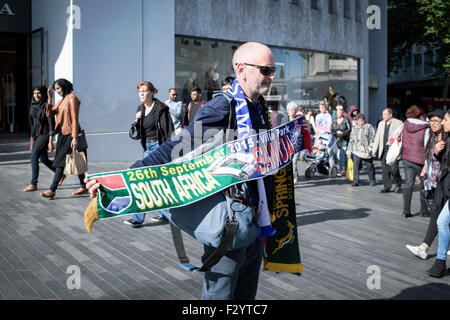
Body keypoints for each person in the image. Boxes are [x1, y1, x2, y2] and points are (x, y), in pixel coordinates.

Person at [86, 41, 279, 300]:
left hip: (256, 220)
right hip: (232, 224)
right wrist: (122, 180)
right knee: (219, 297)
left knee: (245, 296)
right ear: (242, 69)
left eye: (273, 70)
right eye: (266, 70)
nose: (272, 76)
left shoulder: (260, 107)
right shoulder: (224, 107)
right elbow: (177, 146)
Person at [124, 81, 174, 227]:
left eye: (145, 91)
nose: (142, 94)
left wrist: (168, 151)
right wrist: (137, 120)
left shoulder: (161, 108)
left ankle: (138, 217)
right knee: (158, 181)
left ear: (152, 92)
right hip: (148, 147)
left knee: (145, 180)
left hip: (160, 148)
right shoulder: (140, 109)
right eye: (139, 91)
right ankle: (165, 214)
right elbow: (137, 135)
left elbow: (168, 131)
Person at [406, 109, 446, 259]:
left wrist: (437, 153)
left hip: (443, 182)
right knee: (441, 216)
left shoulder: (445, 140)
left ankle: (424, 247)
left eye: (436, 121)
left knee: (437, 215)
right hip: (433, 181)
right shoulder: (432, 136)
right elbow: (429, 157)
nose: (433, 123)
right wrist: (424, 170)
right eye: (431, 120)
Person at [40, 79, 87, 198]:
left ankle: (52, 189)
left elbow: (75, 119)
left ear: (65, 86)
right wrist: (49, 99)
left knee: (60, 161)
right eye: (56, 90)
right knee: (77, 161)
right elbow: (49, 114)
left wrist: (74, 137)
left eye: (59, 88)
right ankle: (84, 186)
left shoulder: (72, 98)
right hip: (62, 134)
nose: (58, 91)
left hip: (70, 134)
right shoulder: (61, 101)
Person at [427, 109, 450, 278]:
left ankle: (440, 262)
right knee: (442, 221)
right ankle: (440, 262)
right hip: (446, 187)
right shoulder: (447, 140)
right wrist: (437, 153)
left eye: (446, 119)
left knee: (441, 221)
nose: (443, 122)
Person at [23, 85, 56, 192]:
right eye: (34, 93)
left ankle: (33, 184)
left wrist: (51, 141)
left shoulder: (47, 105)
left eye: (39, 93)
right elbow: (32, 123)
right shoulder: (32, 105)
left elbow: (51, 124)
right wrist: (32, 138)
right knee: (43, 159)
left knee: (33, 157)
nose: (36, 95)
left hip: (45, 134)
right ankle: (59, 174)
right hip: (36, 135)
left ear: (43, 94)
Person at [400, 105, 429, 218]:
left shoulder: (405, 125)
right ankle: (424, 211)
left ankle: (406, 211)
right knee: (424, 185)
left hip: (407, 158)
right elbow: (427, 146)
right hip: (420, 160)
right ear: (420, 115)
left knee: (408, 184)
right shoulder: (425, 128)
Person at [372, 108, 404, 193]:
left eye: (385, 114)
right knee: (385, 170)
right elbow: (377, 137)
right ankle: (387, 187)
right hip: (384, 150)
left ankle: (398, 183)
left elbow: (401, 136)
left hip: (393, 150)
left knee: (393, 169)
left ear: (390, 115)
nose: (383, 116)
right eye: (383, 114)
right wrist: (374, 149)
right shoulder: (381, 124)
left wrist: (393, 140)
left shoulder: (398, 123)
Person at [347, 113, 376, 186]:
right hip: (356, 150)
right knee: (355, 166)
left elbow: (373, 139)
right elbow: (351, 140)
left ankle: (372, 180)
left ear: (364, 120)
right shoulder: (355, 128)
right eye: (358, 121)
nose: (360, 123)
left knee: (369, 166)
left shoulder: (369, 127)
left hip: (366, 151)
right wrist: (349, 150)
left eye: (361, 121)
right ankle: (356, 181)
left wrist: (371, 148)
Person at [331, 105, 351, 177]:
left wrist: (343, 133)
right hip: (337, 140)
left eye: (340, 111)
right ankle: (346, 169)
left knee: (342, 155)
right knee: (339, 156)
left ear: (342, 112)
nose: (338, 113)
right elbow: (332, 129)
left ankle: (341, 170)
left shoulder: (346, 120)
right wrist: (336, 133)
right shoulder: (334, 119)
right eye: (337, 112)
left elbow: (349, 130)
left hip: (344, 140)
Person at [284, 101, 301, 183]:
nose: (292, 111)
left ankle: (295, 178)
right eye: (291, 110)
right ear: (288, 110)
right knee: (288, 162)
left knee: (294, 161)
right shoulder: (284, 119)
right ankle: (291, 176)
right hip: (287, 144)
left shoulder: (299, 119)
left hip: (296, 144)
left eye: (294, 109)